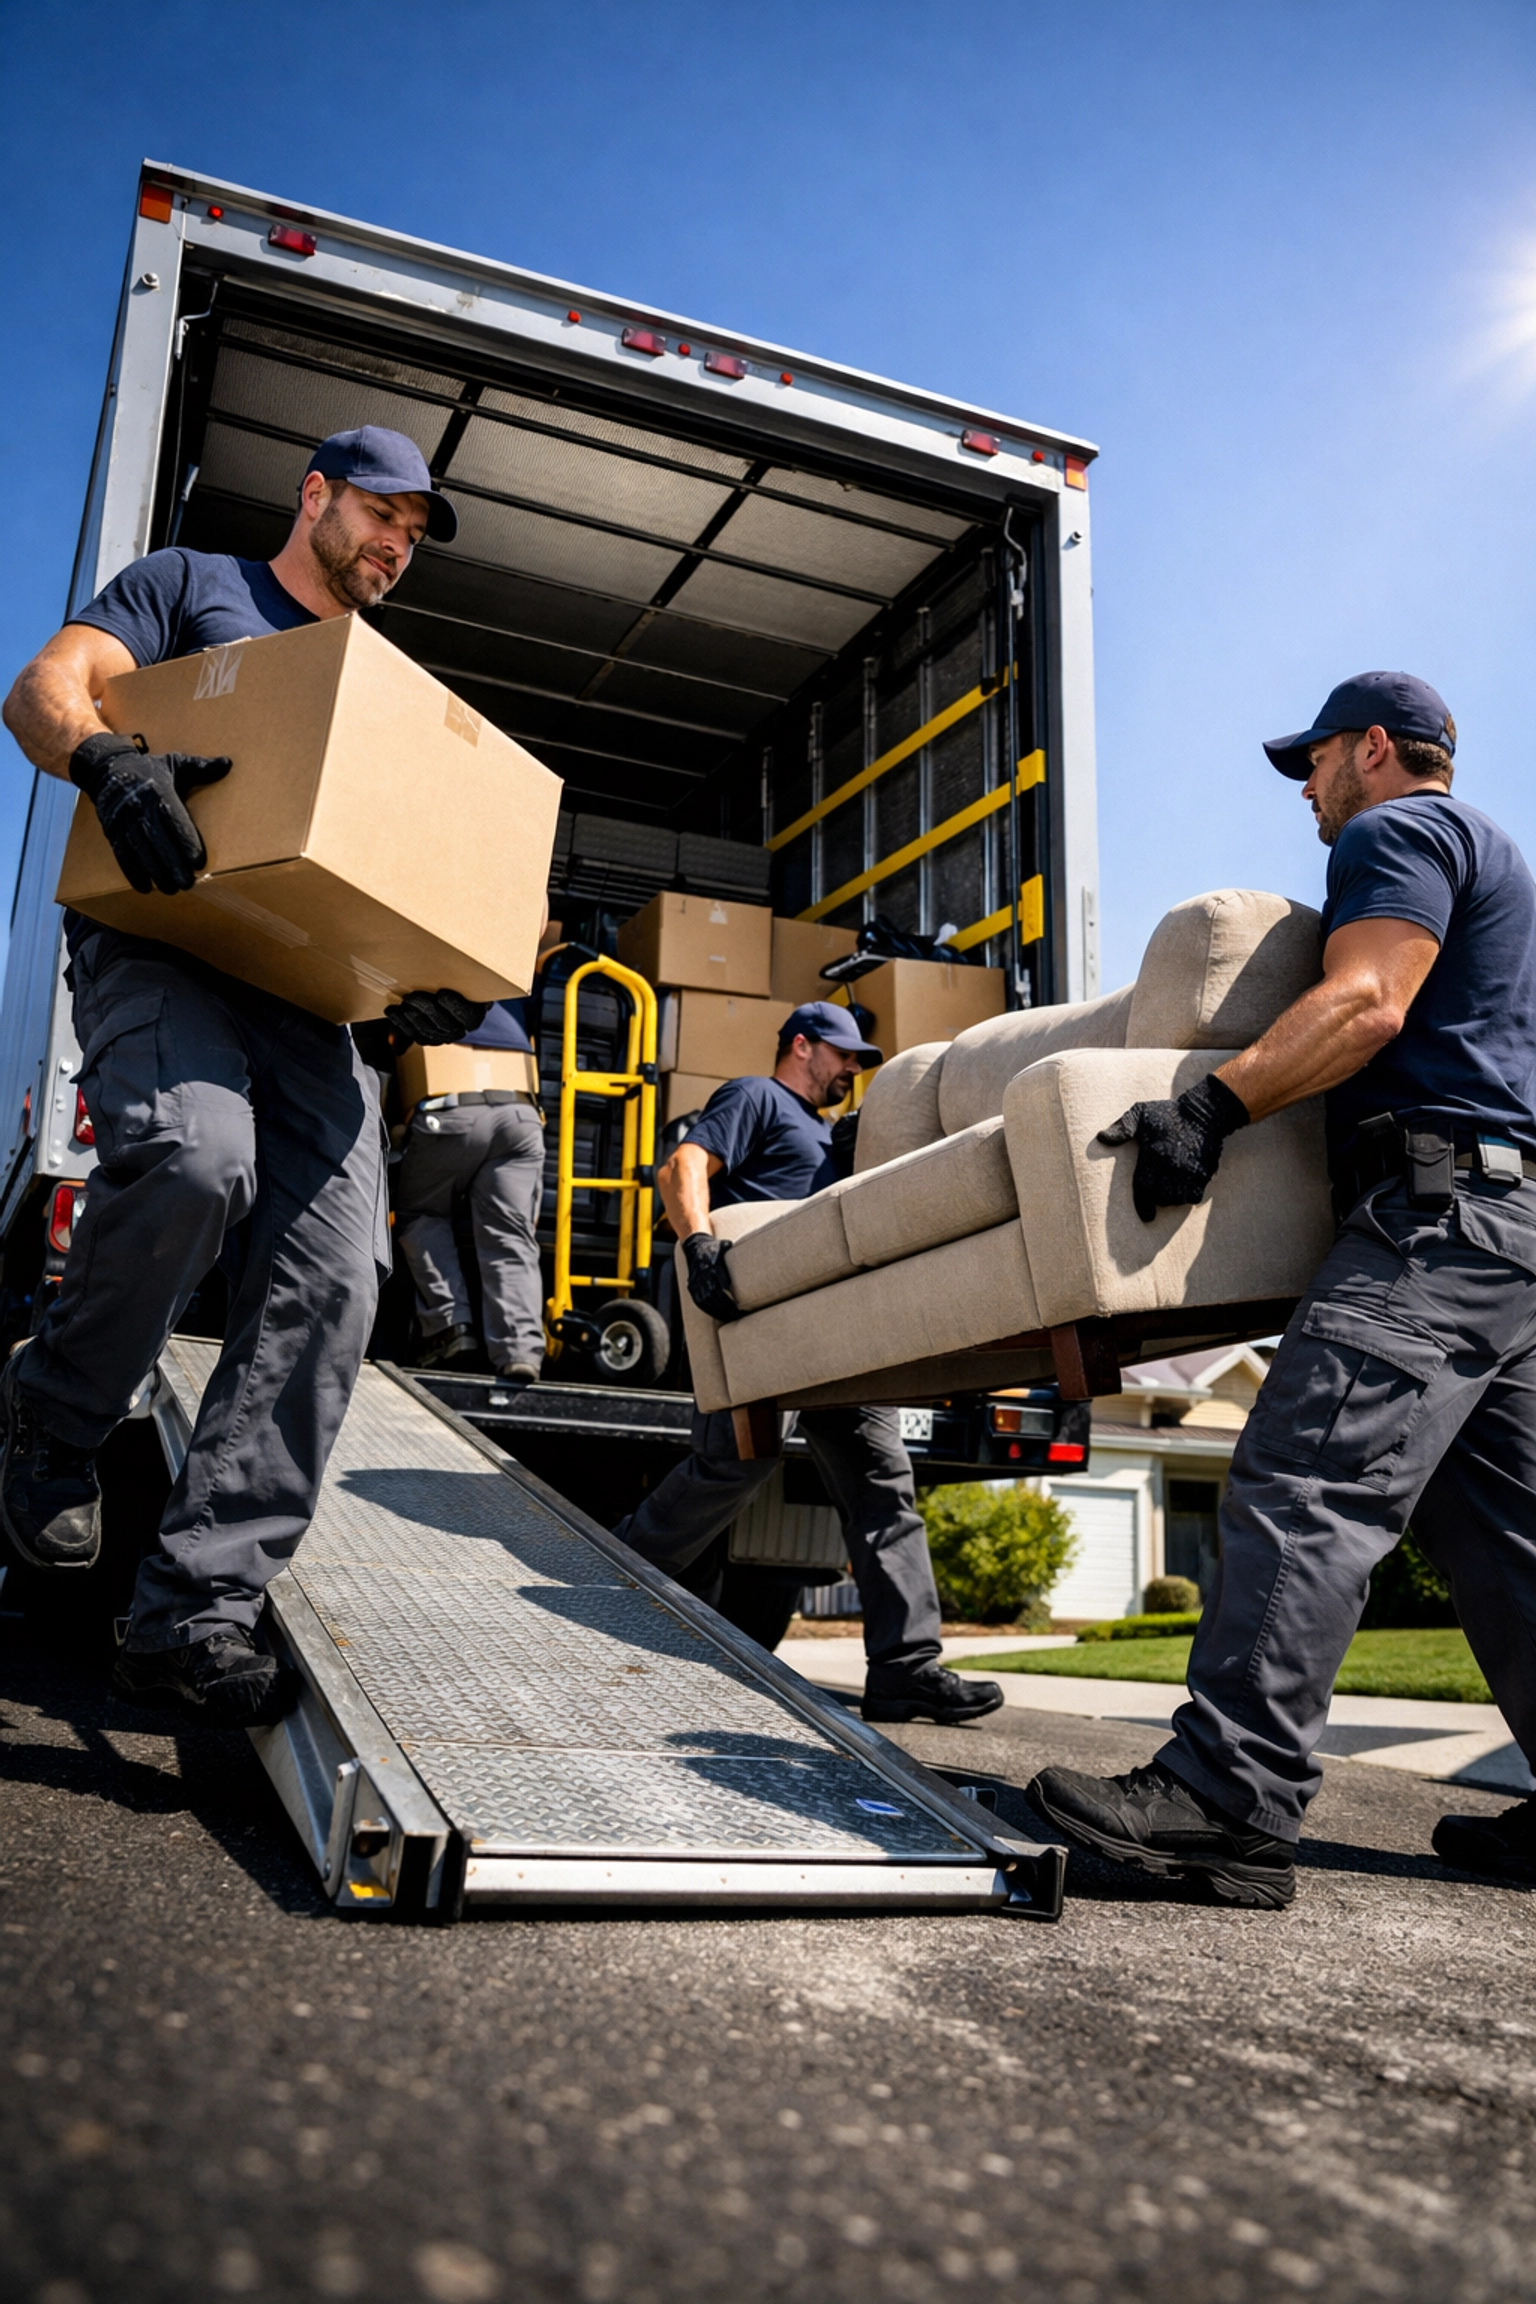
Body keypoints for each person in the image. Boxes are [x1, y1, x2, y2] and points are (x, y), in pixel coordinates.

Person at [0, 426, 490, 1725]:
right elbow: (43, 687)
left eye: (416, 533)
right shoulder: (184, 585)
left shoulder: (378, 681)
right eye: (384, 514)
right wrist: (104, 757)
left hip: (301, 995)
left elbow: (390, 879)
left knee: (339, 1277)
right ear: (315, 494)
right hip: (157, 944)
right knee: (198, 1155)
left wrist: (413, 983)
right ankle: (52, 1422)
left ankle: (192, 1612)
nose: (399, 544)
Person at [1030, 671, 1536, 1903]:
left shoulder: (1400, 829)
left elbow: (1367, 1001)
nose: (1305, 789)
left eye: (1312, 761)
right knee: (1509, 1543)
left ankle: (1226, 1797)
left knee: (1308, 1477)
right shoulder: (1505, 867)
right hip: (1512, 1233)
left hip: (1439, 1217)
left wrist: (1212, 1103)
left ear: (1374, 748)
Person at [614, 1000, 1003, 1726]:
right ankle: (618, 1577)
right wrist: (700, 1244)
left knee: (881, 1479)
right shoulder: (755, 1097)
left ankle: (906, 1670)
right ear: (801, 1046)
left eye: (860, 1061)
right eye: (844, 1056)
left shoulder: (830, 1133)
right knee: (734, 1462)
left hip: (835, 1326)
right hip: (762, 1319)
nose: (853, 1069)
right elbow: (683, 1166)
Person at [396, 995, 547, 1383]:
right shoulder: (510, 988)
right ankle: (520, 1351)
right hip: (520, 1115)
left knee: (421, 1214)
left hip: (450, 1110)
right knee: (510, 1234)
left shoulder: (420, 991)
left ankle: (450, 1327)